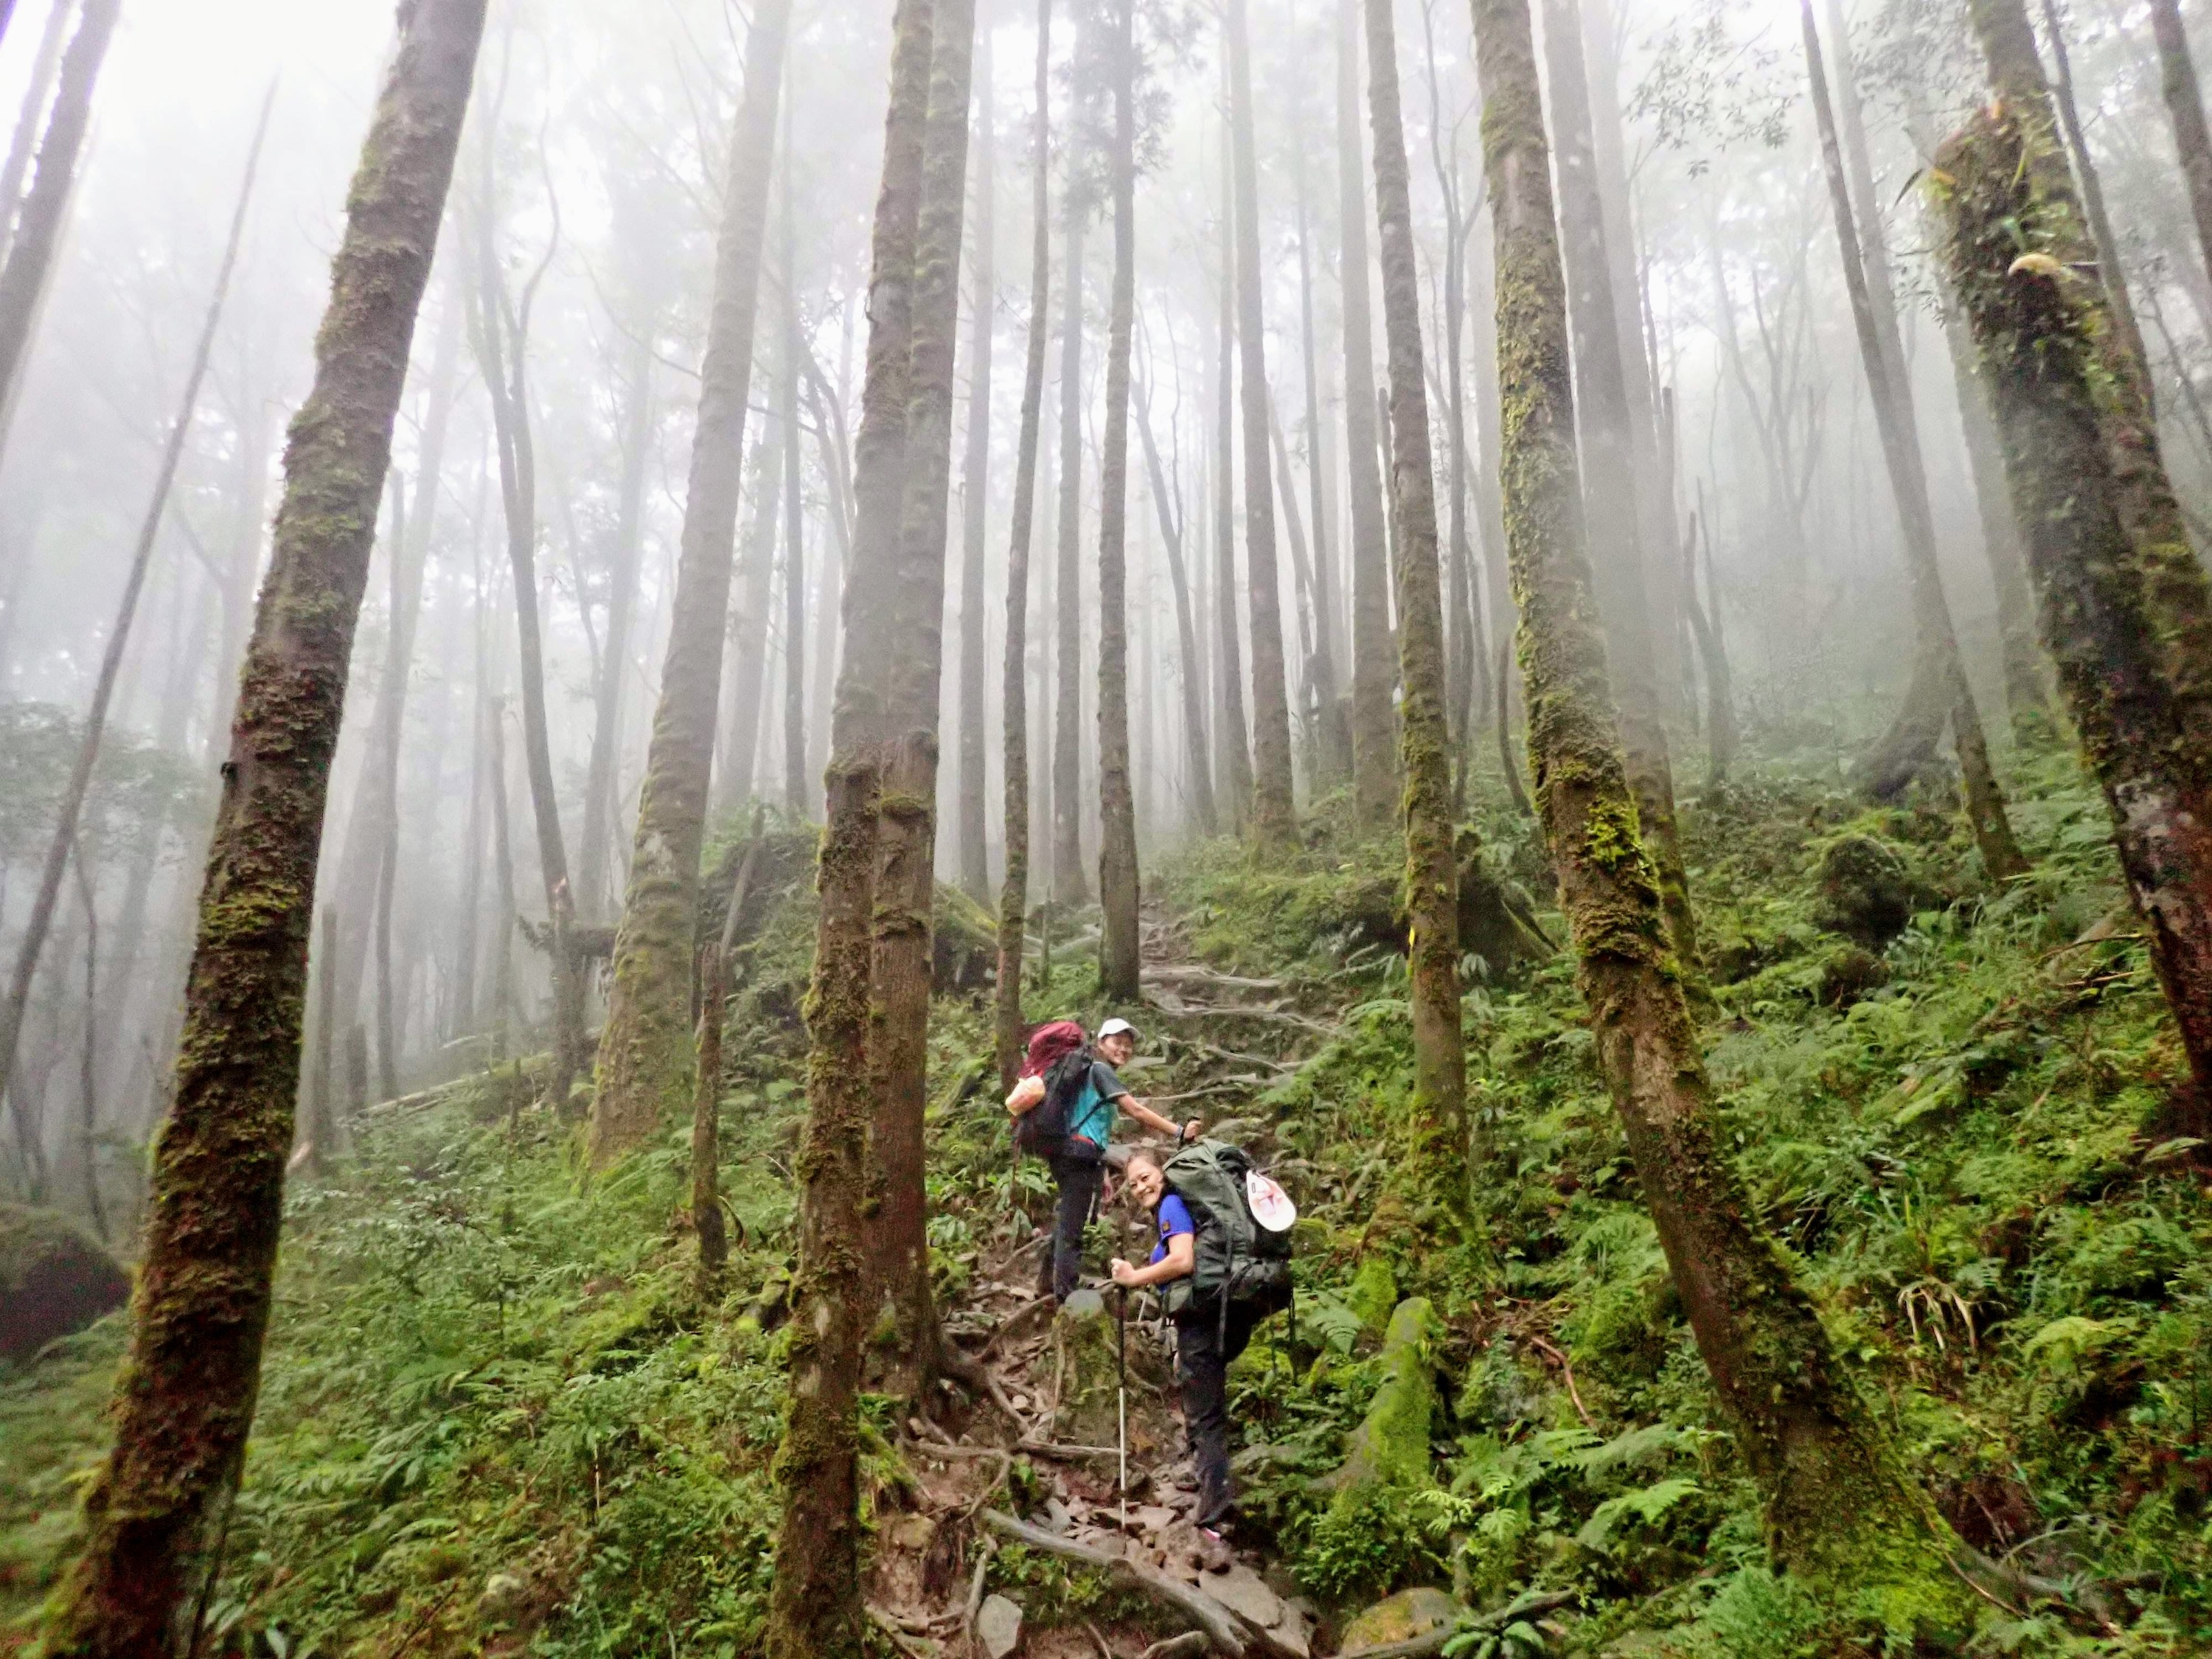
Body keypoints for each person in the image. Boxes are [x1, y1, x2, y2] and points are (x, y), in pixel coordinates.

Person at [1111, 1146, 1247, 1570]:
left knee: (1206, 1418)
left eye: (1146, 1176)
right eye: (1133, 1183)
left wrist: (1135, 1277)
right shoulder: (1177, 1207)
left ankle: (1212, 1522)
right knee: (1205, 1408)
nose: (1140, 1187)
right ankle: (1207, 1486)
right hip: (1215, 1315)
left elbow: (1183, 1260)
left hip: (1203, 1321)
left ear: (1164, 1173)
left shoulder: (1172, 1203)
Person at [1040, 1017, 1197, 1304]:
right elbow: (1136, 1110)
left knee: (1068, 1218)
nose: (1123, 1050)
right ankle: (1066, 1297)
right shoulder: (1099, 1070)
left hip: (1077, 1154)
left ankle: (1046, 1284)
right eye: (1117, 1042)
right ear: (1101, 1043)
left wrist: (1100, 1171)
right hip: (1077, 1155)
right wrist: (1178, 1131)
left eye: (1128, 1045)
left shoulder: (1090, 1071)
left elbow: (1089, 1124)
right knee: (1072, 1228)